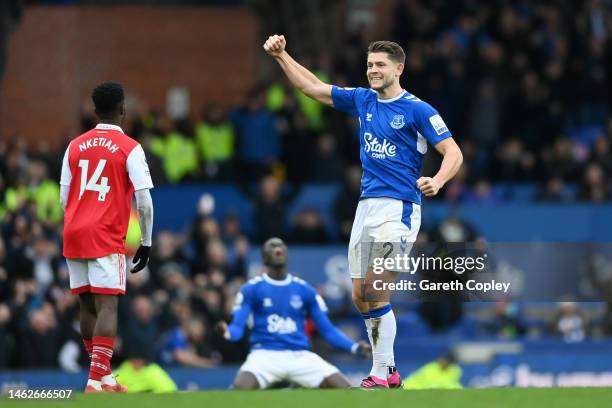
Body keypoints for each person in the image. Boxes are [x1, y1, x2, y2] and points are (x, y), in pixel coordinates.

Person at [263, 35, 463, 388]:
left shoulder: (418, 109)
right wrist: (282, 56)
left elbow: (453, 152)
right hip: (366, 208)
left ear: (398, 69)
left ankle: (381, 372)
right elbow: (313, 88)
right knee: (360, 296)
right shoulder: (362, 100)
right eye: (370, 64)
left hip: (398, 209)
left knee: (375, 286)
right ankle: (390, 369)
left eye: (381, 65)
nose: (373, 70)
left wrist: (439, 180)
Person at [59, 81, 154, 393]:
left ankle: (104, 376)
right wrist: (147, 241)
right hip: (105, 235)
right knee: (108, 305)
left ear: (94, 110)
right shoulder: (130, 148)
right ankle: (94, 381)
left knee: (87, 304)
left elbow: (63, 198)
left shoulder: (74, 145)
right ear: (123, 109)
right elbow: (144, 200)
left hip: (74, 232)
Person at [215, 237, 371, 389]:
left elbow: (327, 329)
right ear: (264, 257)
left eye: (280, 246)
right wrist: (227, 332)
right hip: (264, 355)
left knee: (345, 389)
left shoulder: (305, 290)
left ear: (286, 255)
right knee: (241, 388)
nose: (277, 249)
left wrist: (354, 347)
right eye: (272, 246)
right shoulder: (251, 289)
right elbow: (237, 328)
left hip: (300, 356)